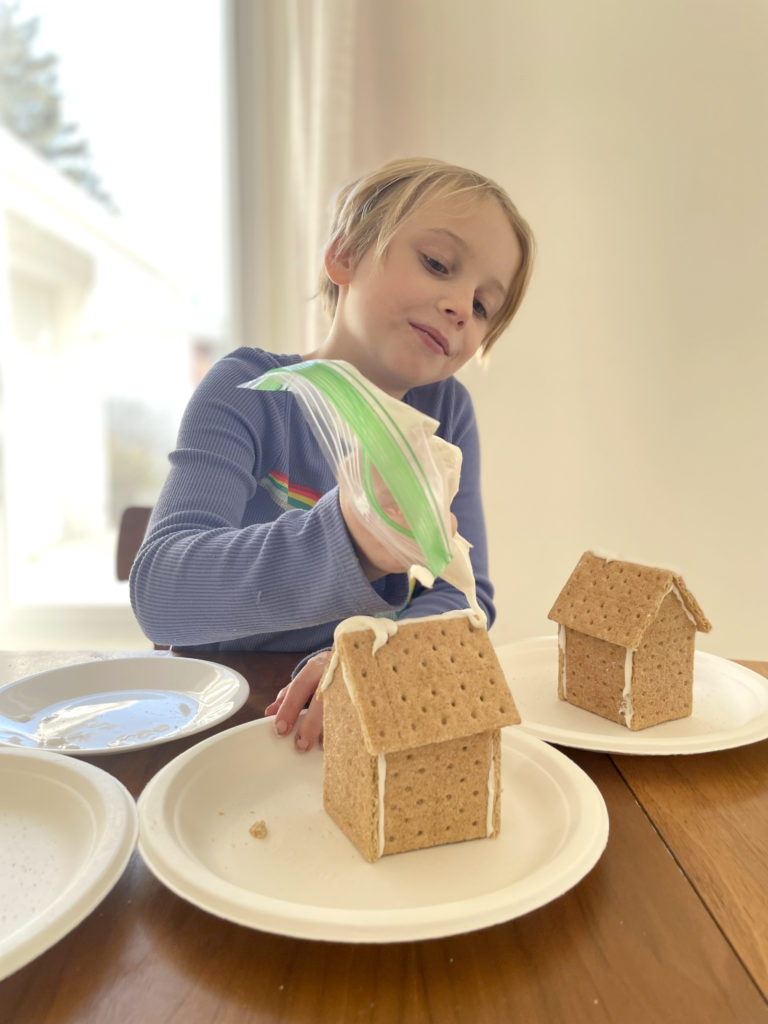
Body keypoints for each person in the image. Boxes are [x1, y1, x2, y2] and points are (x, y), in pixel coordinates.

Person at [129, 157, 534, 752]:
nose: (458, 306)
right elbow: (163, 593)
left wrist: (370, 651)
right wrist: (346, 541)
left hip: (358, 721)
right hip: (222, 723)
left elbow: (461, 598)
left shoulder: (447, 414)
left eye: (482, 306)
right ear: (345, 255)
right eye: (437, 264)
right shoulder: (249, 392)